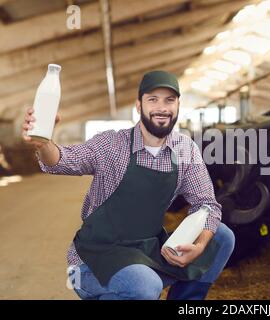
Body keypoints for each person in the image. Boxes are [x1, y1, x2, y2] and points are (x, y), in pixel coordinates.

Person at [22, 70, 235, 300]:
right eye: (152, 99)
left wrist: (200, 245)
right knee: (145, 286)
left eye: (169, 100)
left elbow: (207, 206)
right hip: (94, 258)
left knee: (221, 237)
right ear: (138, 105)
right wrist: (43, 143)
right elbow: (63, 160)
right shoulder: (113, 144)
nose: (162, 108)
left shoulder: (185, 149)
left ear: (178, 106)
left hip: (147, 251)